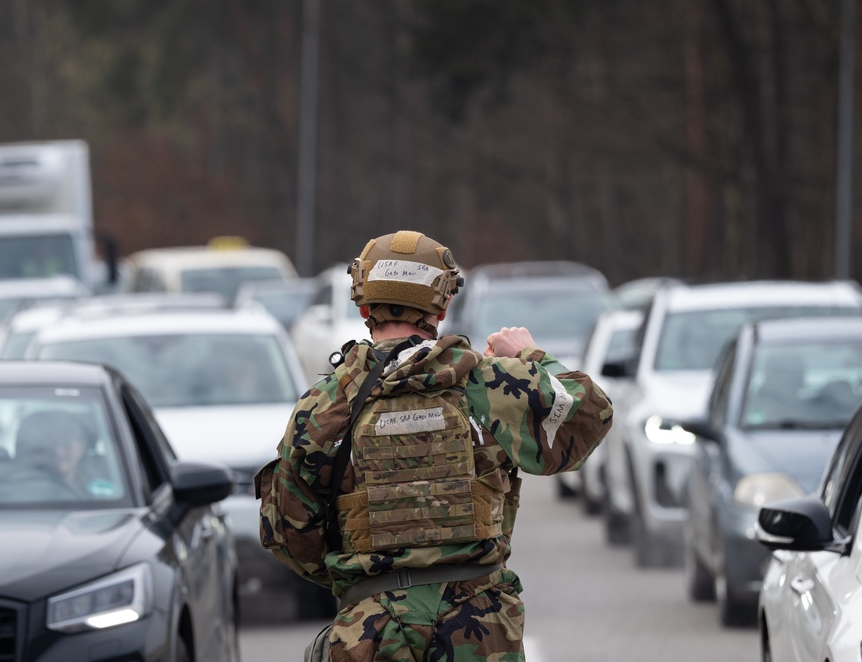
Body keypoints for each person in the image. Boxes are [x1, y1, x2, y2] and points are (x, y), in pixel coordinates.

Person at [255, 230, 613, 661]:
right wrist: (531, 356)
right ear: (442, 306)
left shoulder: (324, 406)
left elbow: (291, 537)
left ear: (364, 305)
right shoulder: (488, 384)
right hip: (479, 630)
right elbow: (590, 416)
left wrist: (364, 579)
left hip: (370, 630)